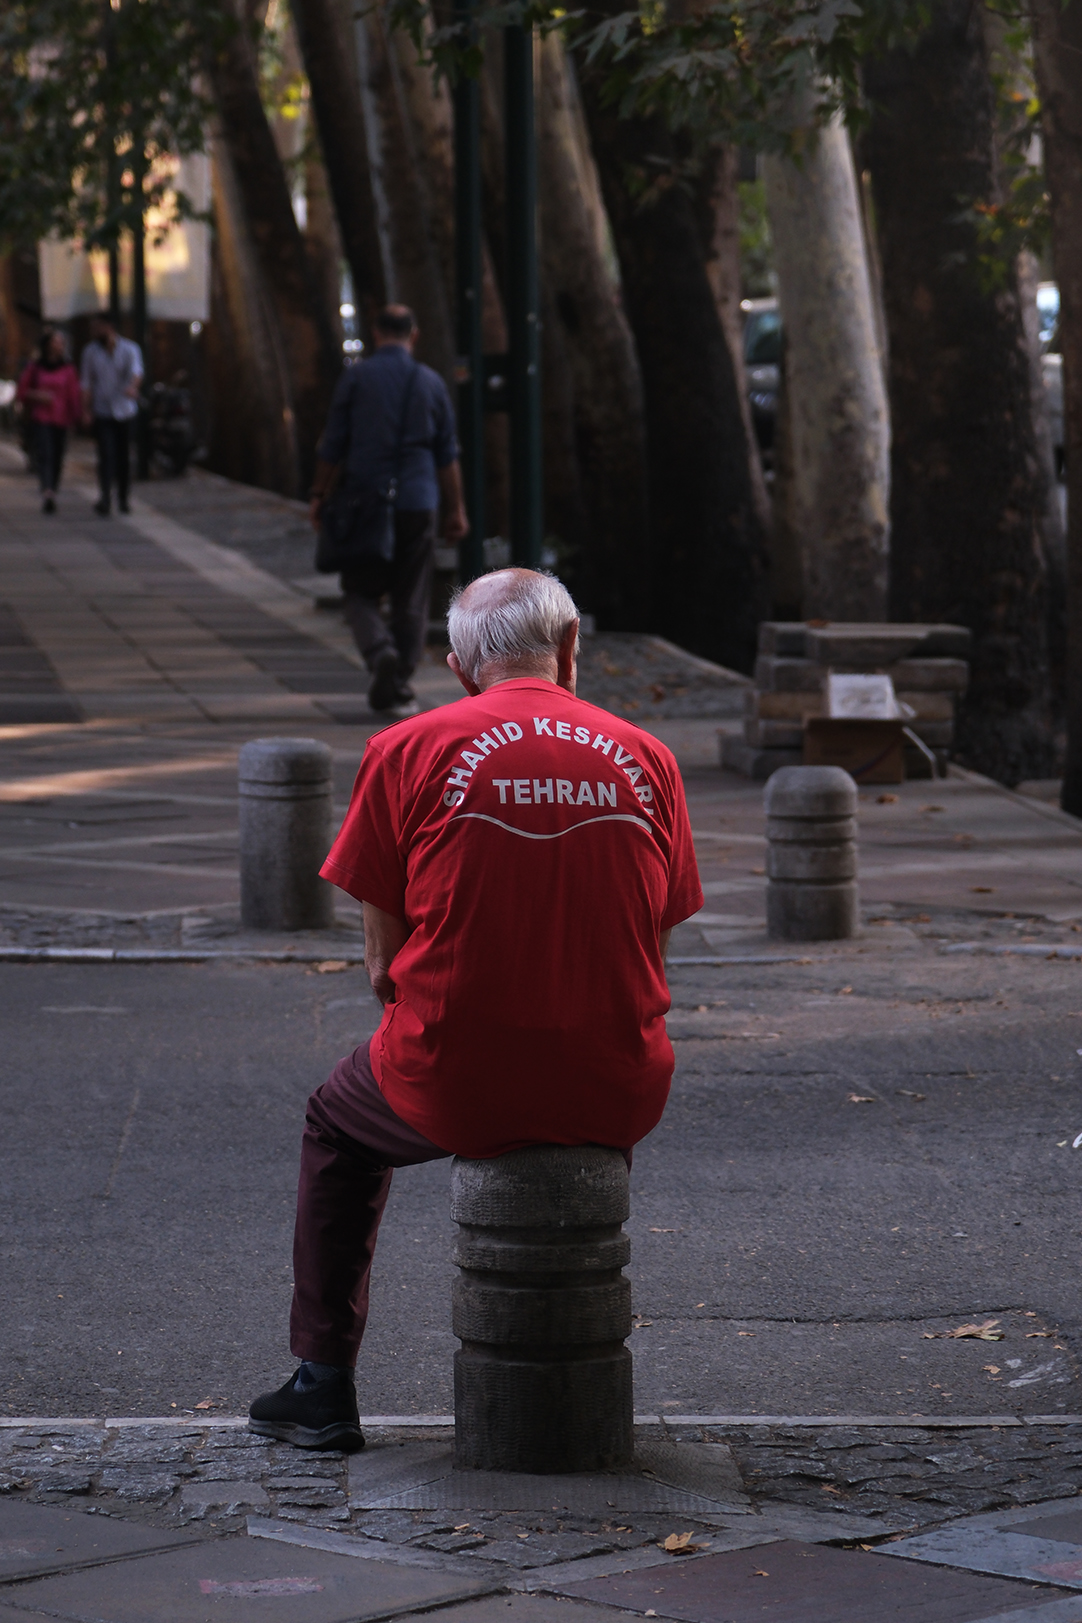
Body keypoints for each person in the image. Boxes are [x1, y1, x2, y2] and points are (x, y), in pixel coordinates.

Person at [248, 568, 703, 1452]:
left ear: (459, 668)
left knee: (335, 1125)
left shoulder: (405, 749)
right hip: (619, 1080)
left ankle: (322, 1382)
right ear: (570, 646)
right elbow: (656, 938)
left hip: (457, 1079)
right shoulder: (648, 756)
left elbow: (382, 969)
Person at [309, 305, 469, 716]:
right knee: (411, 595)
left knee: (359, 591)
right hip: (419, 501)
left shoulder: (356, 378)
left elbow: (332, 444)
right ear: (413, 335)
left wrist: (319, 494)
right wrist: (456, 509)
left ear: (376, 333)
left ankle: (380, 651)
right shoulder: (430, 382)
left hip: (365, 502)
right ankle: (399, 681)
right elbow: (447, 455)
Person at [79, 312, 143, 516]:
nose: (95, 331)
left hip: (125, 411)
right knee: (106, 455)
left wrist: (133, 387)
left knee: (124, 456)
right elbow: (86, 383)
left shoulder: (130, 349)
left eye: (98, 327)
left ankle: (123, 498)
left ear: (110, 327)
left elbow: (137, 372)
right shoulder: (90, 352)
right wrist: (86, 410)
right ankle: (105, 497)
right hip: (103, 411)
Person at [16, 331, 82, 514]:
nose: (58, 345)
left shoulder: (68, 368)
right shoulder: (35, 367)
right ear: (47, 345)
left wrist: (77, 416)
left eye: (61, 342)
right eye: (55, 342)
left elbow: (73, 394)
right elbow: (22, 391)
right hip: (41, 417)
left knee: (58, 456)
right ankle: (47, 491)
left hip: (62, 419)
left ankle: (52, 487)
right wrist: (37, 395)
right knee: (45, 454)